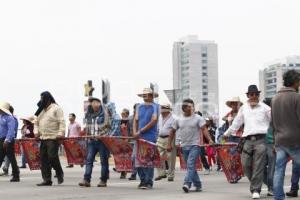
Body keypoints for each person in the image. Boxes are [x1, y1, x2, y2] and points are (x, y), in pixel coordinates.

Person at [224, 85, 271, 199]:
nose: (254, 96)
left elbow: (273, 123)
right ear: (248, 96)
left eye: (256, 94)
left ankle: (255, 189)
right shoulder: (243, 108)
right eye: (251, 94)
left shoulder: (266, 108)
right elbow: (236, 123)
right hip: (247, 140)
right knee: (245, 165)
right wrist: (226, 134)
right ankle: (270, 185)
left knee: (259, 166)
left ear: (258, 95)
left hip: (262, 140)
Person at [167, 98, 214, 193]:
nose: (191, 108)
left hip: (195, 145)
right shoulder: (178, 119)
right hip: (184, 146)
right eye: (188, 106)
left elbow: (204, 129)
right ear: (183, 108)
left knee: (190, 164)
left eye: (192, 106)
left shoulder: (198, 118)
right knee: (190, 167)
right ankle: (198, 185)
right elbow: (172, 131)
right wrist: (169, 144)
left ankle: (187, 183)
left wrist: (210, 140)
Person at [272, 70, 300, 200]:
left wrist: (274, 141)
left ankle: (278, 197)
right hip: (294, 139)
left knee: (279, 170)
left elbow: (272, 122)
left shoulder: (275, 98)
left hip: (279, 140)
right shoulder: (296, 97)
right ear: (295, 82)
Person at [34, 91, 66, 186]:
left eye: (42, 98)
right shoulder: (40, 110)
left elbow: (62, 122)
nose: (41, 100)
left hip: (53, 137)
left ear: (47, 99)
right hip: (43, 137)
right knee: (43, 159)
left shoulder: (56, 108)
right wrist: (36, 132)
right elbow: (35, 122)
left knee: (52, 157)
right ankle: (47, 180)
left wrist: (61, 133)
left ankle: (59, 172)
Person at [78, 97, 110, 187]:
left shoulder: (105, 113)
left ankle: (103, 180)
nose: (94, 104)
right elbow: (86, 126)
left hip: (102, 141)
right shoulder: (88, 114)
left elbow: (108, 127)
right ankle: (86, 179)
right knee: (89, 160)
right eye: (92, 103)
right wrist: (86, 136)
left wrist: (101, 134)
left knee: (104, 161)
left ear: (99, 104)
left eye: (96, 102)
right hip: (91, 141)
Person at [133, 88, 159, 189]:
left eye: (147, 94)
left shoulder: (156, 106)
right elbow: (135, 120)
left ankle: (148, 181)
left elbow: (153, 120)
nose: (144, 96)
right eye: (143, 94)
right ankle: (142, 180)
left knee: (148, 160)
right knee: (136, 159)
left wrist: (140, 131)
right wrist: (135, 132)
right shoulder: (139, 107)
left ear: (152, 96)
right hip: (138, 137)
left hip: (149, 137)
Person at [155, 103, 176, 182]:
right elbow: (157, 128)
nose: (161, 111)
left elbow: (175, 131)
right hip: (160, 138)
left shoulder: (173, 119)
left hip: (169, 138)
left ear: (167, 110)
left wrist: (175, 142)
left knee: (170, 158)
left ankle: (171, 175)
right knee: (157, 156)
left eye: (163, 109)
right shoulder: (159, 117)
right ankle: (161, 173)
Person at [0, 102, 20, 182]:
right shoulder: (1, 116)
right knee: (0, 157)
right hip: (1, 138)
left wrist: (7, 140)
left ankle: (16, 175)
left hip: (8, 140)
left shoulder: (10, 118)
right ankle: (16, 174)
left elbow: (11, 130)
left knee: (11, 157)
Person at [261, 98, 275, 197]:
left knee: (272, 168)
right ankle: (272, 186)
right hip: (260, 144)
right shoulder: (260, 116)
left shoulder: (275, 116)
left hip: (272, 144)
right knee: (260, 168)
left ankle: (271, 188)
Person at [128, 103, 139, 181]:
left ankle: (135, 173)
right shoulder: (130, 118)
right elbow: (129, 129)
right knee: (133, 157)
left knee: (137, 157)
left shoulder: (142, 117)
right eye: (136, 108)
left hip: (141, 140)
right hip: (132, 140)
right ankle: (134, 173)